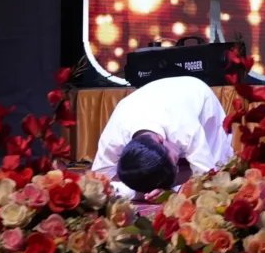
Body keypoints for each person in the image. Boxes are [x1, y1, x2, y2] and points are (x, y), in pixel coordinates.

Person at [89, 73, 232, 199]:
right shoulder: (113, 139)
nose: (178, 165)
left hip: (195, 91)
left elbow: (206, 176)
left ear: (160, 140)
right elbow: (98, 183)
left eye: (175, 161)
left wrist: (170, 191)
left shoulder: (185, 129)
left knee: (218, 178)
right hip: (151, 100)